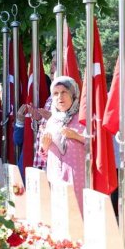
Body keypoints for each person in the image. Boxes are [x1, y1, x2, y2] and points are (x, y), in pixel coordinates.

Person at [38, 76, 86, 213]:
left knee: (77, 216)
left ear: (73, 94)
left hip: (77, 178)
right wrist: (44, 147)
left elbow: (98, 145)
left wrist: (76, 136)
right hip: (56, 176)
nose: (60, 97)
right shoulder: (52, 120)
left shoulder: (83, 118)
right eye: (55, 93)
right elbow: (44, 155)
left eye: (64, 92)